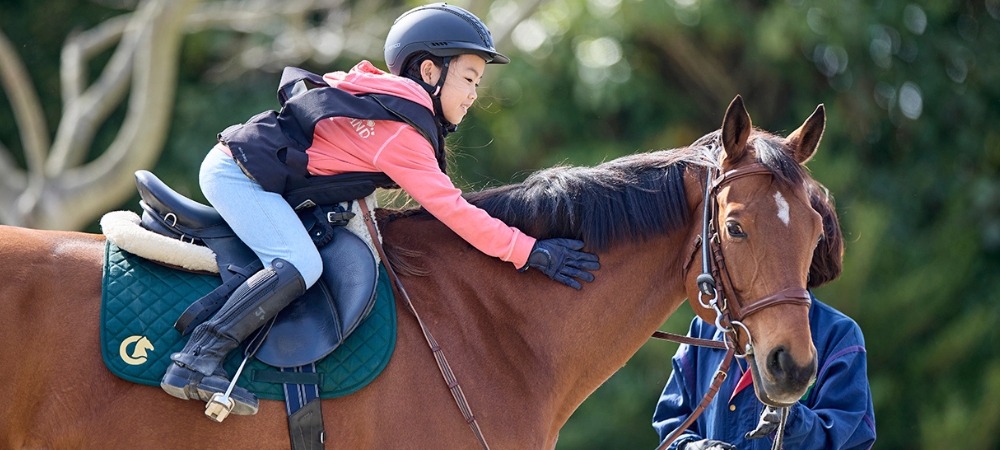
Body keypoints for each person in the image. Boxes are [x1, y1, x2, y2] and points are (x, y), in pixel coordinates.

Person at [159, 3, 601, 416]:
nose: (473, 95)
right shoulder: (400, 130)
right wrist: (530, 252)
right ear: (431, 71)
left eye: (477, 84)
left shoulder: (387, 99)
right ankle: (197, 358)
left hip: (252, 170)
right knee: (300, 263)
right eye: (468, 79)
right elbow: (454, 211)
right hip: (238, 175)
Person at [651, 184, 875, 450]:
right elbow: (671, 423)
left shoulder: (838, 334)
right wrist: (693, 448)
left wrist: (791, 421)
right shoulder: (705, 327)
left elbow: (851, 440)